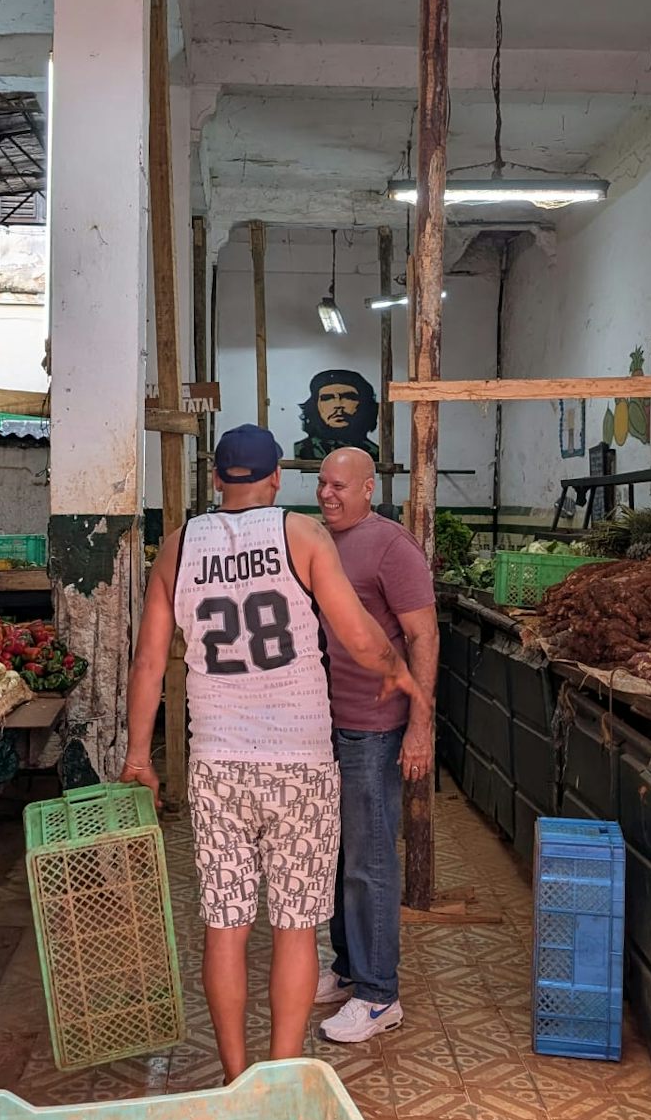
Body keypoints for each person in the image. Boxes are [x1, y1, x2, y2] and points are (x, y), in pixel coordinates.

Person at [121, 424, 419, 1083]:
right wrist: (400, 675)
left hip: (218, 762)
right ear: (277, 475)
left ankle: (234, 1076)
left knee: (226, 927)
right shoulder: (303, 534)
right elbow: (357, 634)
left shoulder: (179, 546)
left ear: (218, 478)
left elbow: (147, 663)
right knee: (294, 927)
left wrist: (140, 754)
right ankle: (280, 1081)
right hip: (300, 762)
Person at [311, 446, 437, 1044]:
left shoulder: (391, 546)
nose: (327, 494)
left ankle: (379, 994)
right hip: (328, 724)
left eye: (340, 485)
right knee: (338, 855)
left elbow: (423, 635)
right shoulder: (321, 542)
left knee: (371, 861)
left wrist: (420, 725)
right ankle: (346, 967)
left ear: (367, 489)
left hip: (375, 726)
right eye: (321, 483)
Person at [292, 369, 379, 461]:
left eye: (348, 397)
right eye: (327, 398)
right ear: (315, 406)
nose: (338, 405)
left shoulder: (375, 453)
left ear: (363, 404)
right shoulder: (302, 450)